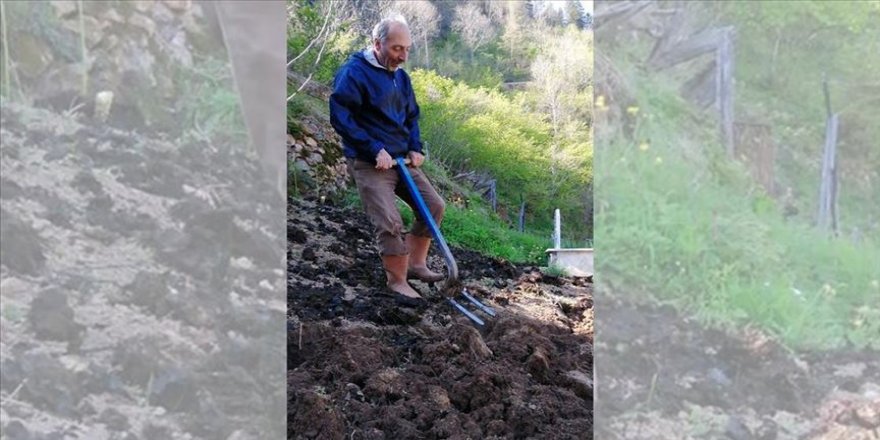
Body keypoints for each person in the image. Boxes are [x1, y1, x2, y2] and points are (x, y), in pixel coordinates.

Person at [329, 15, 446, 306]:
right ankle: (397, 281)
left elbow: (411, 116)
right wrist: (372, 149)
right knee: (389, 220)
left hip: (401, 160)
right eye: (397, 49)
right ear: (377, 44)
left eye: (407, 49)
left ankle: (416, 264)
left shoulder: (400, 77)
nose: (403, 56)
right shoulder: (354, 73)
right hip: (371, 162)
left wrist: (415, 146)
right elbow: (341, 117)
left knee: (433, 205)